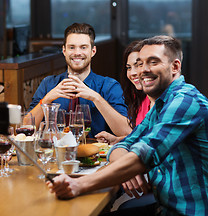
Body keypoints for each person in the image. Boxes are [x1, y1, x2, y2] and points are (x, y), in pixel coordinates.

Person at [47, 36, 208, 215]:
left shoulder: (186, 101)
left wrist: (79, 184)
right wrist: (130, 169)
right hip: (163, 206)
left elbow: (144, 154)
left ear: (175, 67)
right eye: (139, 63)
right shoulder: (161, 105)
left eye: (153, 62)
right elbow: (124, 144)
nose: (143, 70)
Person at [28, 23, 131, 137]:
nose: (77, 53)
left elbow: (126, 132)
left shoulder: (109, 86)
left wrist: (95, 98)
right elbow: (27, 126)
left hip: (96, 153)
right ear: (64, 51)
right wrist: (47, 99)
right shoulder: (48, 84)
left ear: (93, 51)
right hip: (56, 152)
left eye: (83, 47)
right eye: (72, 47)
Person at [95, 41, 152, 144]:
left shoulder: (156, 98)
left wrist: (96, 98)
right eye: (129, 67)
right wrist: (117, 140)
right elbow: (139, 136)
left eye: (138, 65)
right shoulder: (138, 97)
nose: (132, 73)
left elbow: (150, 143)